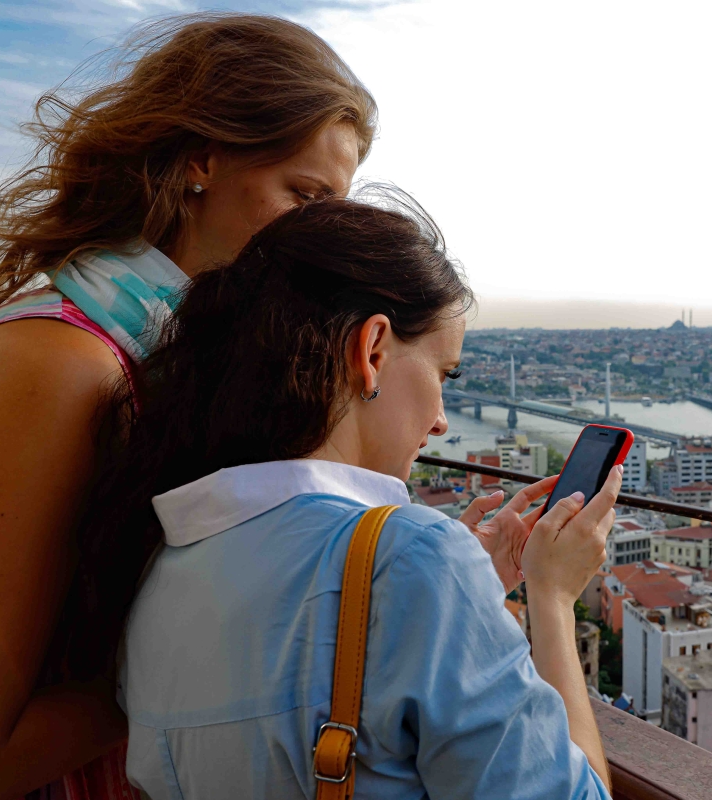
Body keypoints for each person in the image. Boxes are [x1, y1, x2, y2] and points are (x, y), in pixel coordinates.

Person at [83, 194, 616, 798]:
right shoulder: (414, 558)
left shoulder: (157, 559)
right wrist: (550, 596)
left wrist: (464, 596)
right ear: (372, 351)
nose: (441, 420)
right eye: (443, 374)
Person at [0, 13, 377, 798]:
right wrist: (192, 658)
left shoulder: (153, 351)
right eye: (302, 195)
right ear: (201, 160)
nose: (318, 238)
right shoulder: (62, 362)